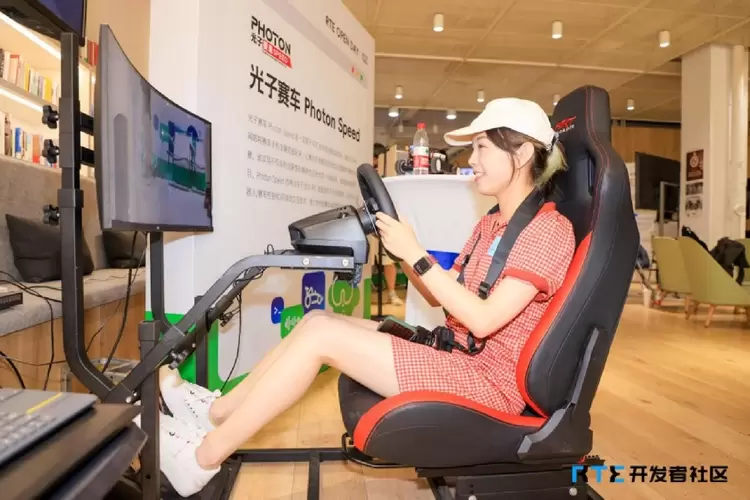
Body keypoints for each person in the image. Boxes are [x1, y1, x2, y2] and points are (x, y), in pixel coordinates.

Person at [143, 98, 576, 497]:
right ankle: (216, 415)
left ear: (522, 153)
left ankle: (202, 460)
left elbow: (482, 320)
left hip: (486, 383)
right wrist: (405, 252)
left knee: (321, 339)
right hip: (457, 355)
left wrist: (416, 253)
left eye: (482, 148)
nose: (472, 161)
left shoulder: (548, 230)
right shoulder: (492, 224)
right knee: (317, 322)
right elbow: (443, 297)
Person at [371, 144, 403, 305]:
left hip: (384, 220)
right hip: (368, 220)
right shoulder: (366, 174)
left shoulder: (389, 177)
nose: (375, 167)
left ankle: (391, 293)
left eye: (377, 164)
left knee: (389, 261)